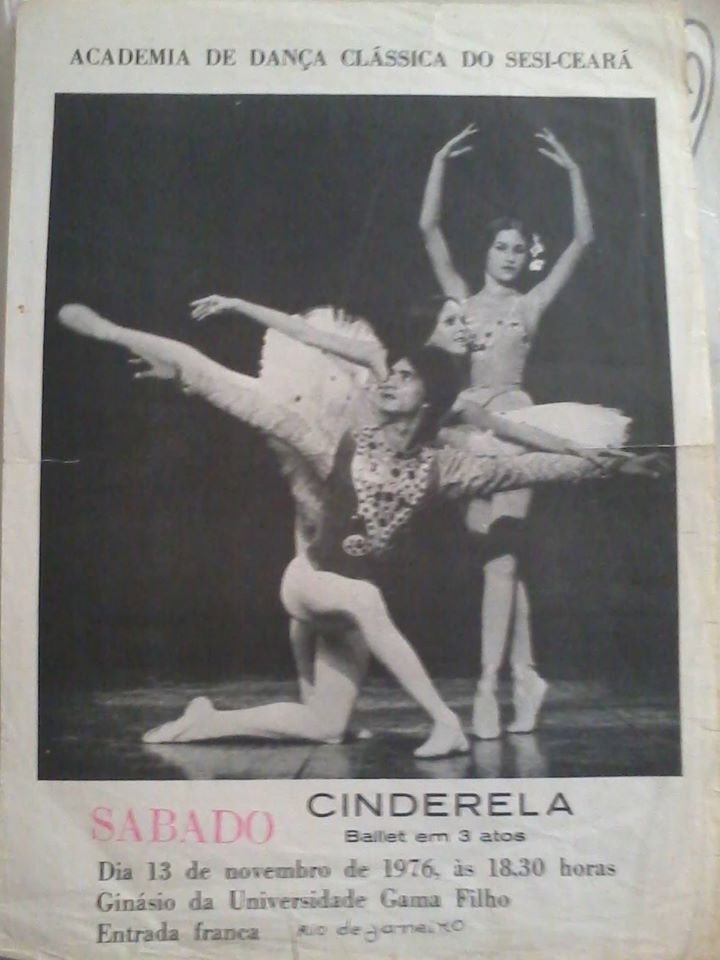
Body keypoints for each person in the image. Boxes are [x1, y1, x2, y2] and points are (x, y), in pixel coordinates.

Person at [58, 304, 655, 758]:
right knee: (366, 597)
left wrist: (615, 465)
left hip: (348, 615)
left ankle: (207, 721)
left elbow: (530, 468)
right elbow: (217, 379)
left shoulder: (445, 468)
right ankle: (445, 720)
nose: (388, 381)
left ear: (430, 400)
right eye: (390, 374)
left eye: (404, 377)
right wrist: (113, 332)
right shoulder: (339, 446)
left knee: (325, 726)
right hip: (309, 583)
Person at [419, 125, 599, 738]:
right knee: (498, 556)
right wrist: (439, 161)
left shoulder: (531, 305)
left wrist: (574, 173)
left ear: (527, 258)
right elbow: (428, 229)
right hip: (469, 429)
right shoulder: (461, 300)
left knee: (500, 558)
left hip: (518, 426)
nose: (510, 256)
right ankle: (527, 675)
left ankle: (487, 687)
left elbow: (583, 240)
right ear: (487, 252)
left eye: (519, 250)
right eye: (502, 247)